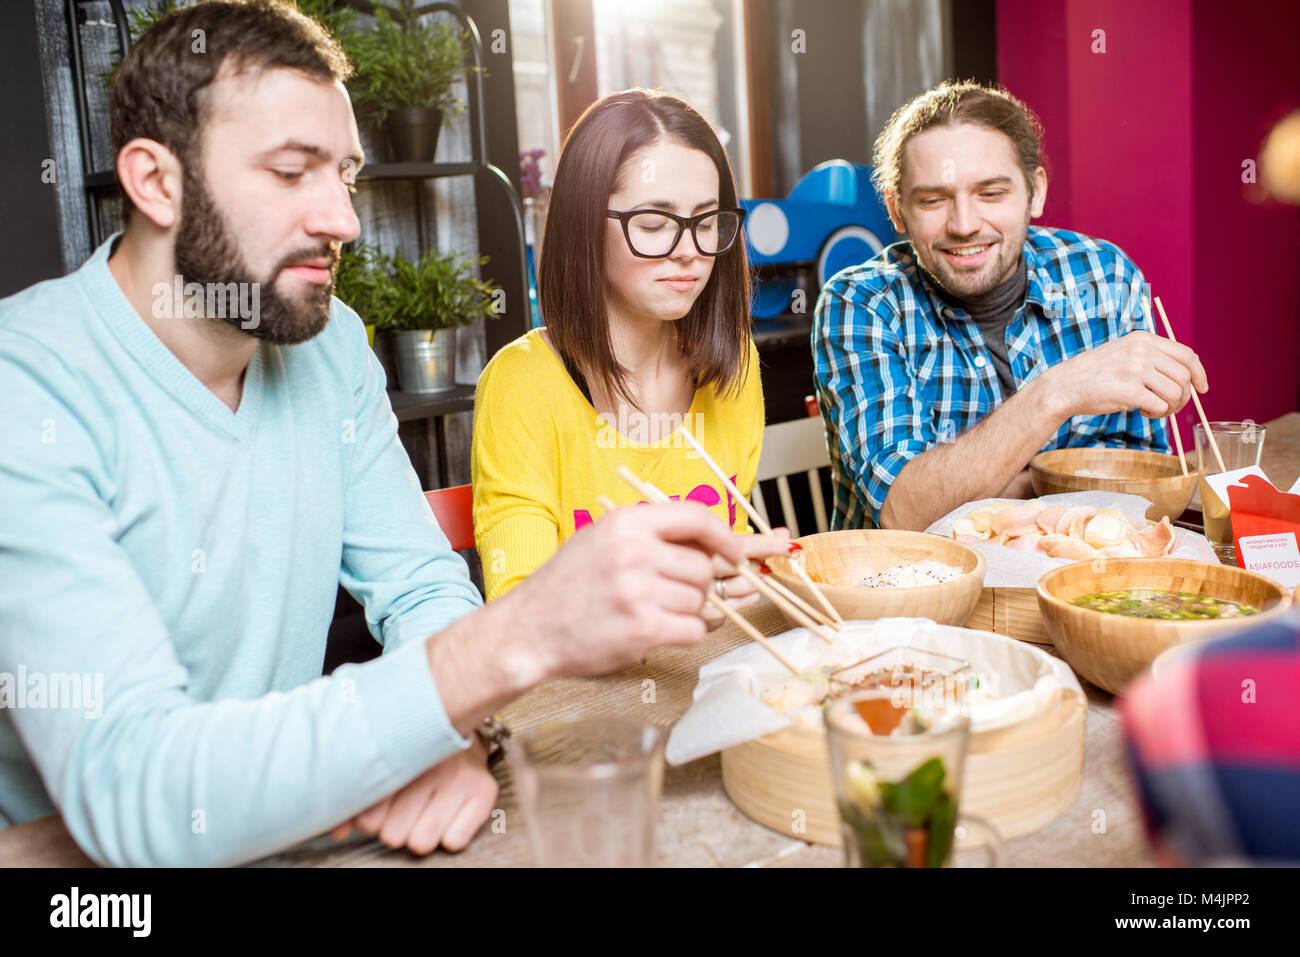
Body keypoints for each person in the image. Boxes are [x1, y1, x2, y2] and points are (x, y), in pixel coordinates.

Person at [0, 0, 787, 867]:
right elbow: (132, 792)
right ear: (155, 182)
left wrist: (451, 736)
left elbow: (419, 587)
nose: (343, 218)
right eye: (293, 173)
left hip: (306, 829)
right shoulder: (26, 384)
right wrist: (509, 640)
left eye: (346, 174)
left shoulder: (329, 346)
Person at [812, 80, 1209, 532]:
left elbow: (1142, 482)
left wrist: (988, 488)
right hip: (911, 595)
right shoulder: (860, 304)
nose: (964, 225)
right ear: (897, 211)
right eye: (932, 200)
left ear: (1034, 191)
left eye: (991, 193)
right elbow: (906, 513)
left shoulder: (1105, 276)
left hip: (1082, 581)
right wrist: (1057, 393)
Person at [472, 89, 776, 613]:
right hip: (587, 691)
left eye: (706, 223)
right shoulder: (522, 385)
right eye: (654, 225)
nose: (689, 251)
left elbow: (733, 560)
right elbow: (519, 612)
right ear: (585, 224)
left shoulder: (734, 366)